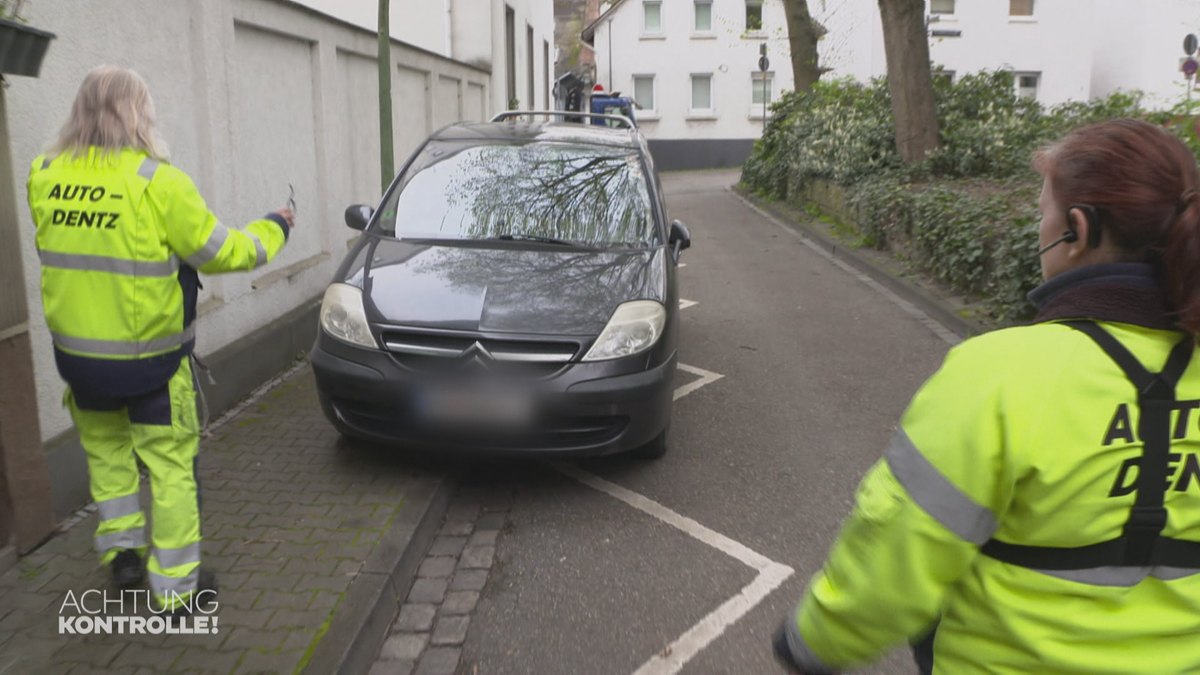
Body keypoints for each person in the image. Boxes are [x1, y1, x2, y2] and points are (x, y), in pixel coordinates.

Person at [773, 117, 1200, 674]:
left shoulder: (999, 374)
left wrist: (817, 640)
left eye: (1040, 215)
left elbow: (901, 545)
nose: (1037, 230)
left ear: (1077, 230)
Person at [27, 65, 294, 613]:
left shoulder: (44, 175)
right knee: (170, 467)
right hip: (149, 365)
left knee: (107, 455)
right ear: (135, 113)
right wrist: (277, 226)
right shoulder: (158, 182)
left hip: (79, 363)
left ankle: (123, 557)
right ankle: (174, 589)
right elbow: (226, 252)